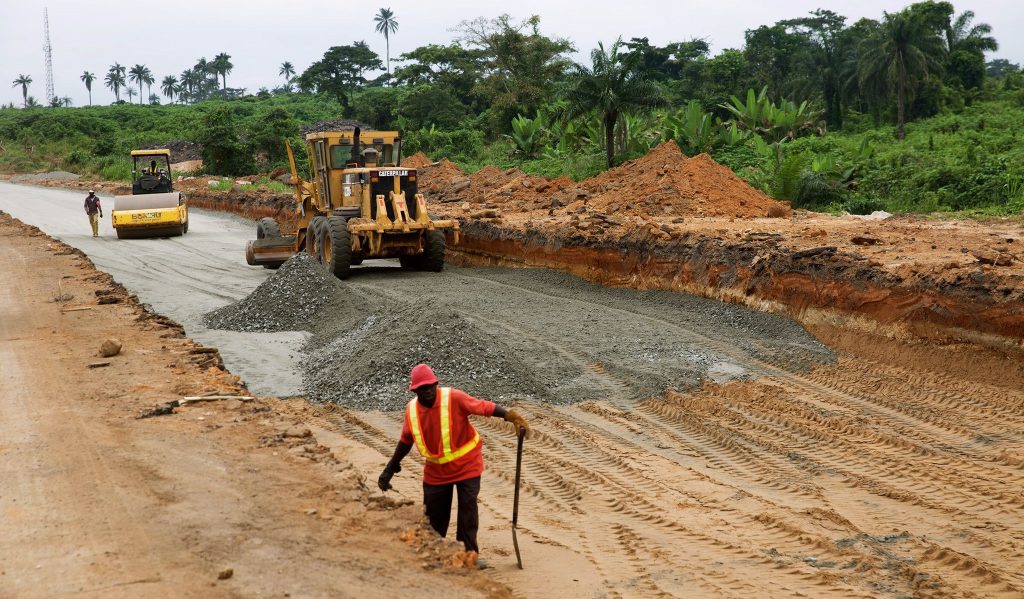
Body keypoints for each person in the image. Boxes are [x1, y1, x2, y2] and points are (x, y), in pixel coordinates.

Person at [378, 364, 529, 557]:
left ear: (436, 384)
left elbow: (482, 406)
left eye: (431, 386)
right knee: (434, 517)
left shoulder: (453, 398)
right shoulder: (412, 411)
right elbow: (406, 440)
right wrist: (390, 468)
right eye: (423, 389)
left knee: (467, 510)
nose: (428, 391)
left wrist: (509, 416)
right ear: (415, 391)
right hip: (436, 472)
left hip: (467, 464)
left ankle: (468, 554)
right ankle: (435, 551)